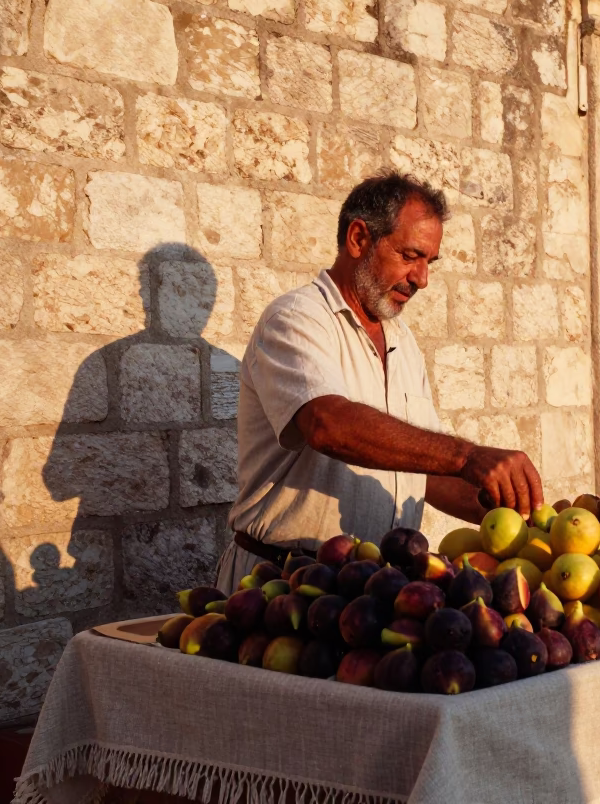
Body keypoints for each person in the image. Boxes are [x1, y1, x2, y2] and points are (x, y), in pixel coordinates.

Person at [216, 172, 544, 591]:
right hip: (282, 584)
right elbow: (327, 423)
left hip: (373, 589)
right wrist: (467, 456)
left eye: (430, 262)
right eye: (410, 256)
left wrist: (517, 516)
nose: (422, 278)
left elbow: (421, 468)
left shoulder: (401, 340)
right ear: (358, 239)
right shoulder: (295, 319)